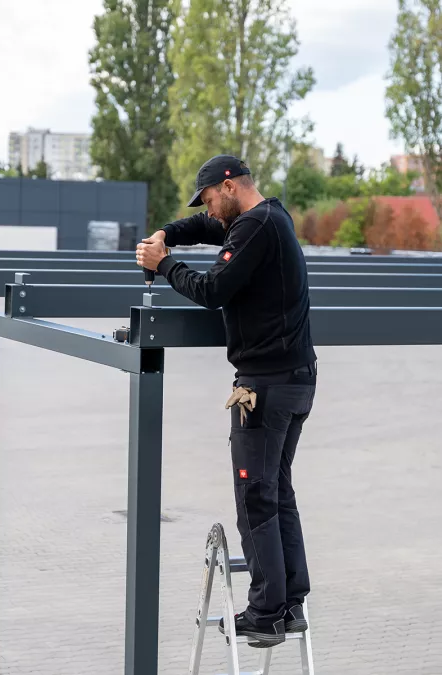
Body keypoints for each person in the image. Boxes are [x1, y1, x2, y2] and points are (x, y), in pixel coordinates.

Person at [136, 154, 317, 649]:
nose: (210, 211)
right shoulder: (269, 219)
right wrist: (169, 233)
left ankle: (265, 614)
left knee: (255, 498)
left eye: (212, 198)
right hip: (295, 380)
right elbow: (205, 227)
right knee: (277, 493)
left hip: (264, 387)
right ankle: (291, 604)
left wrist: (163, 264)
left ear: (230, 185)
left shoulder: (255, 227)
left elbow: (214, 288)